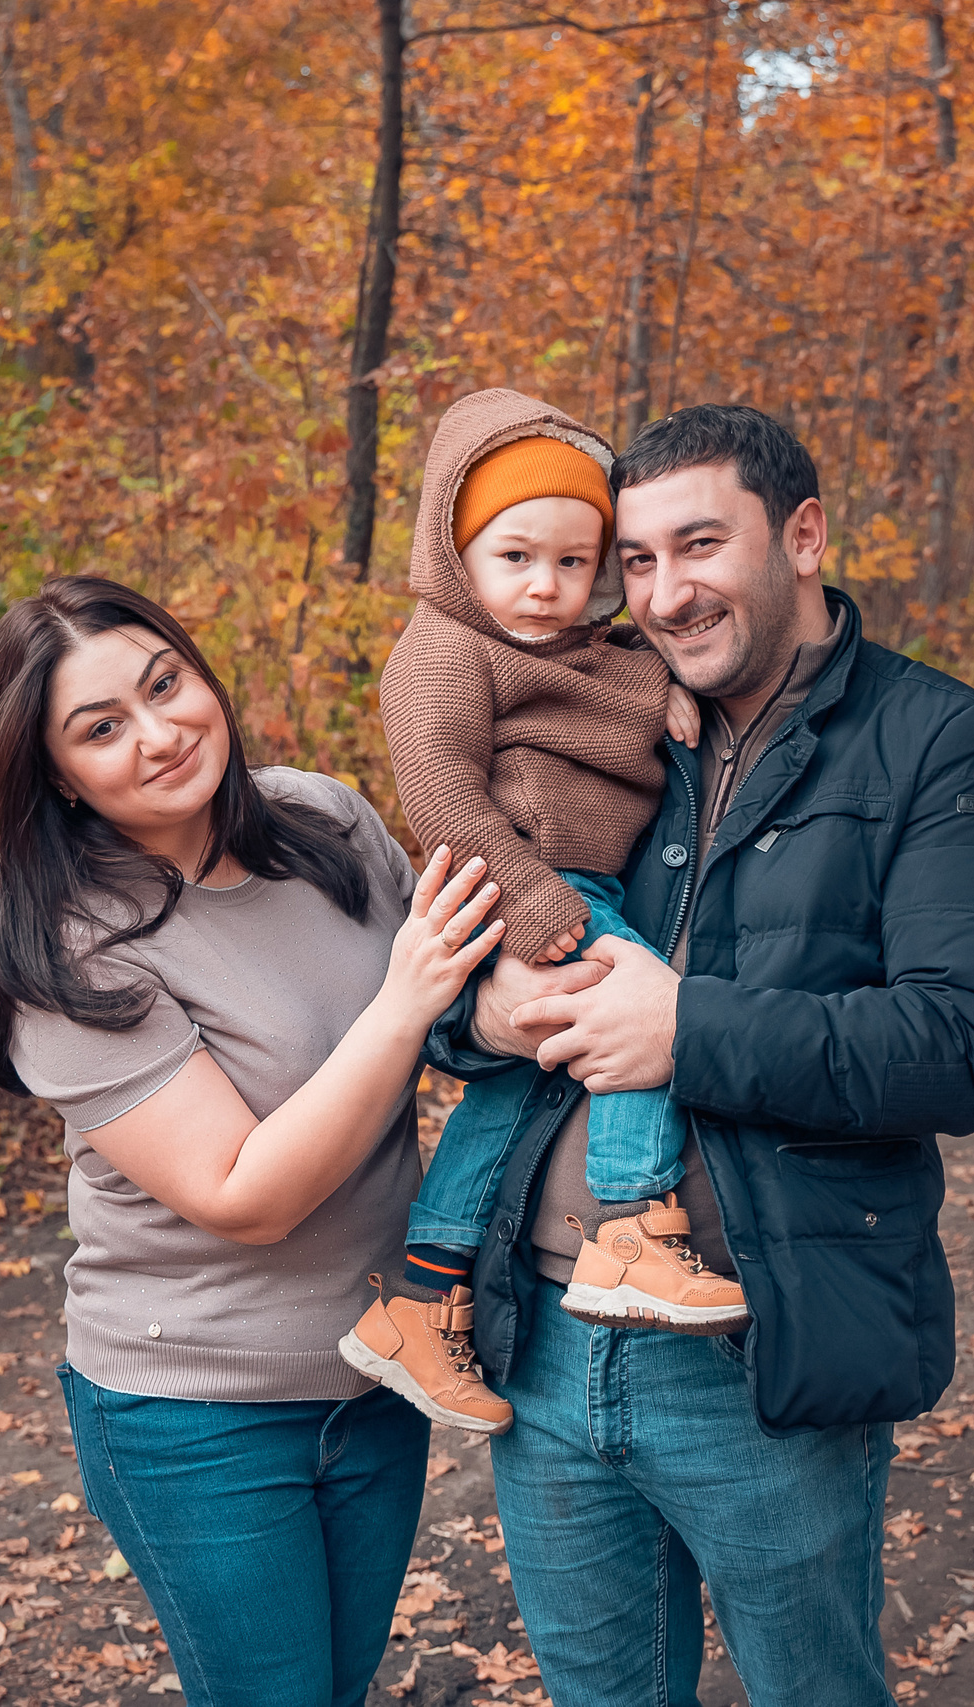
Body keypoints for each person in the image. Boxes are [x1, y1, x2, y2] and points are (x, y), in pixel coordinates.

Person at [426, 405, 974, 1706]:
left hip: (756, 1338)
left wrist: (687, 1026)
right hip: (539, 1344)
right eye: (636, 560)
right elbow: (454, 938)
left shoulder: (938, 741)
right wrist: (473, 1022)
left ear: (805, 534)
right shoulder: (606, 715)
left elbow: (960, 1044)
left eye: (698, 545)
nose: (661, 593)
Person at [0, 575, 505, 1707]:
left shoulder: (324, 822)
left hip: (375, 1364)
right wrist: (403, 1002)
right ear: (55, 772)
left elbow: (457, 1009)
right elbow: (242, 1193)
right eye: (101, 728)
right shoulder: (71, 950)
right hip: (194, 1413)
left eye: (166, 684)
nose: (159, 734)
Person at [343, 390, 747, 1438]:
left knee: (516, 1099)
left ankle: (424, 1302)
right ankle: (632, 1222)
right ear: (457, 552)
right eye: (516, 557)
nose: (545, 586)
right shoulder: (442, 648)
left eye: (575, 563)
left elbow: (621, 679)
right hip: (515, 889)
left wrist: (667, 687)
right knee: (636, 1021)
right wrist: (530, 903)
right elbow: (435, 790)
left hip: (567, 891)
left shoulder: (589, 650)